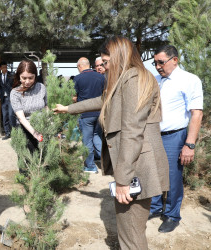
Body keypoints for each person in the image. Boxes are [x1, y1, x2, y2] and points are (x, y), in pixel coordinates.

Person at [54, 36, 169, 250]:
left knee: (131, 235)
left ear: (119, 58)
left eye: (106, 62)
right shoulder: (126, 78)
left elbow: (133, 131)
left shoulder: (134, 79)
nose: (104, 68)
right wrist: (68, 109)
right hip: (134, 162)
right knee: (131, 230)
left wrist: (124, 180)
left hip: (136, 166)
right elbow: (103, 100)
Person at [149, 45, 203, 233]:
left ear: (174, 60)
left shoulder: (189, 80)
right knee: (154, 173)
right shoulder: (155, 80)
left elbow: (196, 113)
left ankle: (172, 215)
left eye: (161, 62)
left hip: (175, 136)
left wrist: (189, 144)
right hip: (154, 134)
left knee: (172, 177)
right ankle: (155, 207)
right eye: (154, 62)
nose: (157, 66)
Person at [74, 57, 105, 173]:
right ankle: (108, 162)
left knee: (87, 140)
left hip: (85, 114)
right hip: (99, 112)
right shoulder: (101, 77)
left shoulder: (77, 79)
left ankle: (90, 166)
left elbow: (74, 96)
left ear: (79, 66)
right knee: (97, 137)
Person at [10, 60, 47, 156]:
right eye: (24, 78)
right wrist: (34, 133)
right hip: (25, 130)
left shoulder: (41, 88)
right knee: (26, 161)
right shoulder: (15, 93)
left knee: (44, 161)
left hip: (42, 127)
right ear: (19, 76)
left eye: (31, 78)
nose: (27, 81)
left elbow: (46, 107)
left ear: (35, 75)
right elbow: (21, 118)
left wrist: (51, 125)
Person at [0, 61, 15, 140]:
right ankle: (7, 133)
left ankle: (13, 132)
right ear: (0, 68)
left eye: (6, 67)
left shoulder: (11, 75)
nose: (5, 69)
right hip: (3, 99)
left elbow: (14, 84)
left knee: (11, 115)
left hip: (11, 97)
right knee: (4, 116)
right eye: (3, 67)